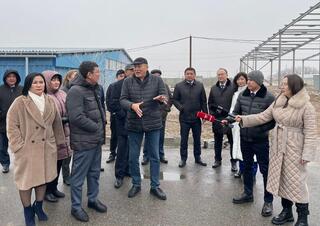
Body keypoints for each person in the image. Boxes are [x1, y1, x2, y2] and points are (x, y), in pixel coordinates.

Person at [235, 74, 317, 226]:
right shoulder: (279, 102)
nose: (281, 86)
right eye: (282, 84)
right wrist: (244, 119)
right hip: (278, 146)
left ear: (294, 86)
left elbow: (311, 133)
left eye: (285, 84)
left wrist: (307, 154)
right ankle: (287, 212)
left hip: (296, 148)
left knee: (297, 182)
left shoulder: (306, 106)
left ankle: (303, 217)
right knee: (283, 180)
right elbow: (262, 117)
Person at [6, 72, 65, 226]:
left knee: (42, 180)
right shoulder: (20, 102)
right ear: (28, 85)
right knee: (25, 183)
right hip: (27, 150)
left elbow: (57, 123)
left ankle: (38, 206)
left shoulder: (49, 101)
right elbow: (12, 126)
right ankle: (27, 211)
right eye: (35, 82)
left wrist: (58, 142)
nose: (39, 85)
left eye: (41, 82)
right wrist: (18, 146)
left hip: (46, 148)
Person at [227, 70, 275, 218]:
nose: (248, 82)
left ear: (259, 82)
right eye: (248, 80)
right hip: (244, 139)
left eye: (251, 81)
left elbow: (273, 121)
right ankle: (248, 194)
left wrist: (261, 130)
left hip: (260, 140)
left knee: (265, 170)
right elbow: (235, 113)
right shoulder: (243, 95)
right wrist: (228, 120)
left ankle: (268, 201)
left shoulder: (269, 98)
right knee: (246, 167)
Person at [120, 57, 168, 200]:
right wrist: (132, 105)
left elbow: (164, 97)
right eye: (135, 66)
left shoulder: (157, 80)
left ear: (147, 67)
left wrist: (161, 99)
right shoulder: (127, 81)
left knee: (154, 156)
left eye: (140, 66)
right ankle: (136, 184)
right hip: (134, 123)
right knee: (133, 156)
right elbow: (122, 99)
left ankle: (155, 186)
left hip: (153, 122)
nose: (137, 69)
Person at [66, 61, 107, 222]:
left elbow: (99, 108)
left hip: (96, 140)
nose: (99, 74)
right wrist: (97, 127)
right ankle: (75, 207)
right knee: (78, 176)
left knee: (94, 172)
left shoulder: (95, 88)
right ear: (89, 74)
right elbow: (76, 117)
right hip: (84, 141)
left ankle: (92, 199)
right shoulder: (76, 91)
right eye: (97, 72)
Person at [43, 71, 73, 202]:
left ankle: (54, 188)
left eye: (57, 80)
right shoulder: (43, 97)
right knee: (50, 165)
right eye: (53, 80)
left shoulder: (63, 93)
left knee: (60, 163)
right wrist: (61, 120)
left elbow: (69, 109)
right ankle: (46, 191)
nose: (56, 82)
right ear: (46, 82)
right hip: (51, 136)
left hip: (65, 134)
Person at [173, 67, 208, 168]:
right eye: (187, 73)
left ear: (194, 75)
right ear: (185, 75)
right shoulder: (179, 86)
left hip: (197, 118)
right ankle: (183, 159)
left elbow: (203, 101)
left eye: (191, 73)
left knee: (197, 139)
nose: (189, 75)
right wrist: (181, 107)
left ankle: (198, 158)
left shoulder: (200, 86)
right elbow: (175, 99)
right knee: (184, 139)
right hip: (184, 118)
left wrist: (205, 114)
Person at [229, 72, 258, 179]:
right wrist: (230, 120)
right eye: (238, 79)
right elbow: (233, 109)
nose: (240, 81)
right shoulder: (236, 94)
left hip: (249, 124)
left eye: (242, 79)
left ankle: (252, 172)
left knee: (250, 150)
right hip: (237, 124)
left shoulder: (252, 93)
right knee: (239, 148)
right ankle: (242, 170)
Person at [142, 69, 173, 165]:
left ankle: (161, 155)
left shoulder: (165, 86)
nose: (157, 77)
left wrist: (166, 108)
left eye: (158, 76)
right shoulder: (147, 87)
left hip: (162, 117)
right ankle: (146, 156)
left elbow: (170, 99)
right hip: (149, 117)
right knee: (148, 137)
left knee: (161, 137)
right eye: (155, 75)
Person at [208, 68, 236, 171]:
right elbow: (210, 103)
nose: (220, 76)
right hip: (217, 119)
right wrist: (213, 114)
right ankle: (217, 160)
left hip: (230, 119)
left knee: (233, 142)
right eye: (218, 75)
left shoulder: (233, 87)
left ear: (227, 75)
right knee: (217, 141)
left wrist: (232, 116)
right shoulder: (213, 88)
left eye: (222, 74)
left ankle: (234, 162)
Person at [109, 68, 132, 188]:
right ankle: (119, 175)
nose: (133, 72)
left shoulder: (137, 84)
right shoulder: (116, 86)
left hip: (135, 123)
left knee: (131, 149)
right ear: (126, 72)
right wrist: (124, 114)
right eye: (131, 70)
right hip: (122, 122)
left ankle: (128, 170)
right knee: (122, 149)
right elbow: (113, 103)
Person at [0, 70, 23, 173]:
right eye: (9, 76)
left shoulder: (22, 90)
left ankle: (21, 164)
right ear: (5, 78)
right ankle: (5, 163)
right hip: (2, 124)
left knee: (19, 146)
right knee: (1, 147)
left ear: (17, 78)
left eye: (14, 76)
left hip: (19, 124)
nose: (11, 78)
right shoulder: (0, 89)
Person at [60, 69, 78, 185]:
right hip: (67, 124)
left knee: (76, 152)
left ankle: (75, 174)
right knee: (67, 153)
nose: (77, 78)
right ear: (68, 78)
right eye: (74, 76)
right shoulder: (63, 91)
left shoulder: (79, 89)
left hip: (77, 125)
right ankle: (66, 176)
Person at [105, 69, 126, 163]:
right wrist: (114, 111)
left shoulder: (126, 87)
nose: (122, 78)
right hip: (115, 115)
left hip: (125, 116)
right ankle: (112, 153)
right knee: (114, 135)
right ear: (117, 77)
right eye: (120, 76)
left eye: (123, 76)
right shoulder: (112, 86)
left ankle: (122, 155)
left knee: (123, 136)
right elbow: (108, 101)